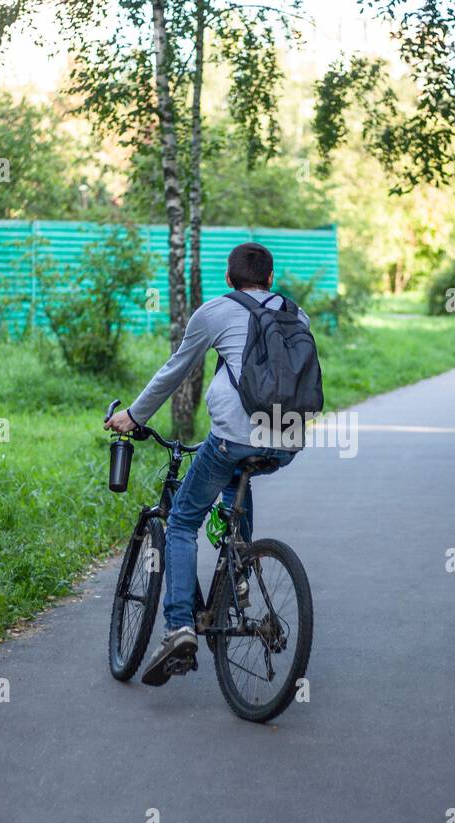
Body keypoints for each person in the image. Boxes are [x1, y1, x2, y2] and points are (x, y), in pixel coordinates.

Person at [105, 241, 308, 686]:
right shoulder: (295, 313)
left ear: (229, 278)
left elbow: (174, 370)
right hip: (288, 438)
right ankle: (239, 570)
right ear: (270, 279)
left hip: (232, 437)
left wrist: (133, 416)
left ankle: (178, 627)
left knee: (180, 521)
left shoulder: (215, 311)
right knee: (239, 474)